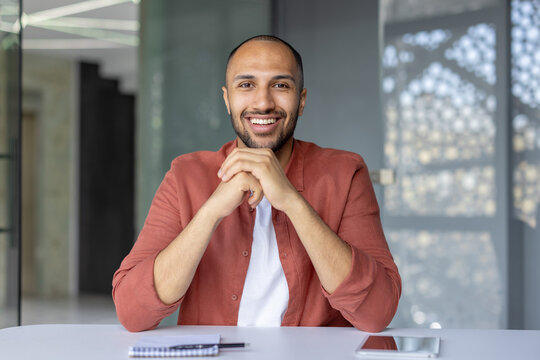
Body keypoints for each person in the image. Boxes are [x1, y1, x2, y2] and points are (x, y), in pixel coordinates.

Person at [112, 35, 401, 333]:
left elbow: (376, 313)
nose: (263, 103)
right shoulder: (185, 175)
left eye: (280, 85)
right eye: (246, 85)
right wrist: (210, 212)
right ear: (227, 99)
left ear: (301, 101)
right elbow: (133, 313)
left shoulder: (346, 172)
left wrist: (292, 201)